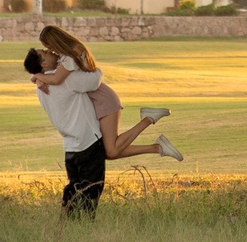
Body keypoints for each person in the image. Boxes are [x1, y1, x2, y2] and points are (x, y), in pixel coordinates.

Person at [26, 25, 183, 214]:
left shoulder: (68, 59)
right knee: (109, 152)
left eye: (47, 46)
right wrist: (39, 77)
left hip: (103, 99)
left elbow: (94, 78)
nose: (48, 50)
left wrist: (38, 77)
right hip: (95, 102)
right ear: (43, 63)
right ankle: (155, 137)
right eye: (44, 49)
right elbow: (85, 78)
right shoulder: (59, 69)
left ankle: (151, 123)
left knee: (109, 151)